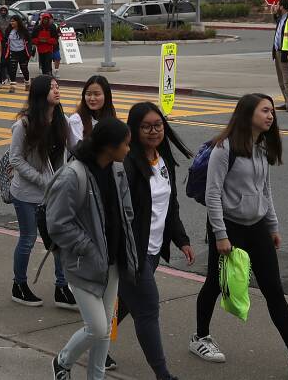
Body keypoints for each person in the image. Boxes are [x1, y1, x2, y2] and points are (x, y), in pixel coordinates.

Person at [191, 93, 288, 377]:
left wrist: (273, 226)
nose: (271, 116)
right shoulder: (225, 148)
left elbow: (265, 190)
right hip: (229, 227)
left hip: (257, 226)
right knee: (216, 283)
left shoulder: (260, 147)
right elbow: (213, 194)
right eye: (265, 111)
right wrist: (221, 235)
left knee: (274, 289)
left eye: (272, 111)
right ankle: (200, 338)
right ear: (247, 114)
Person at [105, 102, 195, 379]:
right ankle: (163, 374)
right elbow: (117, 212)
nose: (154, 131)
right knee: (147, 309)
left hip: (153, 250)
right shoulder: (128, 164)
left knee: (124, 306)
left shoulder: (163, 160)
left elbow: (170, 205)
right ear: (134, 129)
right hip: (133, 253)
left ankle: (82, 346)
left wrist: (182, 239)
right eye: (146, 126)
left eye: (158, 125)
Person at [45, 118, 138, 380]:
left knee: (106, 328)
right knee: (97, 328)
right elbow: (58, 223)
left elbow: (126, 211)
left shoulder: (117, 170)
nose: (128, 150)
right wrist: (87, 248)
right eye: (125, 144)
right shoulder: (73, 175)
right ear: (109, 146)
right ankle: (62, 361)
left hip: (112, 262)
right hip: (83, 264)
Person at [8, 75, 76, 308]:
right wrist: (43, 180)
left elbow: (76, 148)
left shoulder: (61, 120)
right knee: (27, 239)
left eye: (58, 86)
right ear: (39, 93)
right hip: (27, 193)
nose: (56, 90)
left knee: (59, 239)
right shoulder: (24, 125)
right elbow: (15, 159)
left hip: (55, 193)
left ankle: (62, 287)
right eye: (51, 87)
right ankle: (19, 285)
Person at [69, 75, 117, 147]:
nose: (92, 98)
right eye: (88, 94)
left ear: (106, 96)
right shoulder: (76, 120)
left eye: (97, 94)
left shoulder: (111, 119)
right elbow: (77, 150)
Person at [5, 16, 31, 93]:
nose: (11, 23)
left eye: (13, 21)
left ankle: (27, 83)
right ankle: (12, 86)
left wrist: (29, 52)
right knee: (12, 69)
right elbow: (5, 40)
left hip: (23, 52)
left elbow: (29, 41)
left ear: (18, 22)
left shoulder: (24, 30)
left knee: (24, 68)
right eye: (11, 21)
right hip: (13, 52)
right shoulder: (9, 30)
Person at [31, 12, 59, 78]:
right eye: (44, 19)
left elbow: (55, 40)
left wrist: (47, 40)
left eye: (47, 19)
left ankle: (49, 76)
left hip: (49, 49)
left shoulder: (52, 27)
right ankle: (45, 77)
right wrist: (39, 40)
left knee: (48, 63)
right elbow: (32, 39)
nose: (45, 20)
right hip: (40, 50)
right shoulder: (37, 28)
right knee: (43, 64)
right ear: (42, 19)